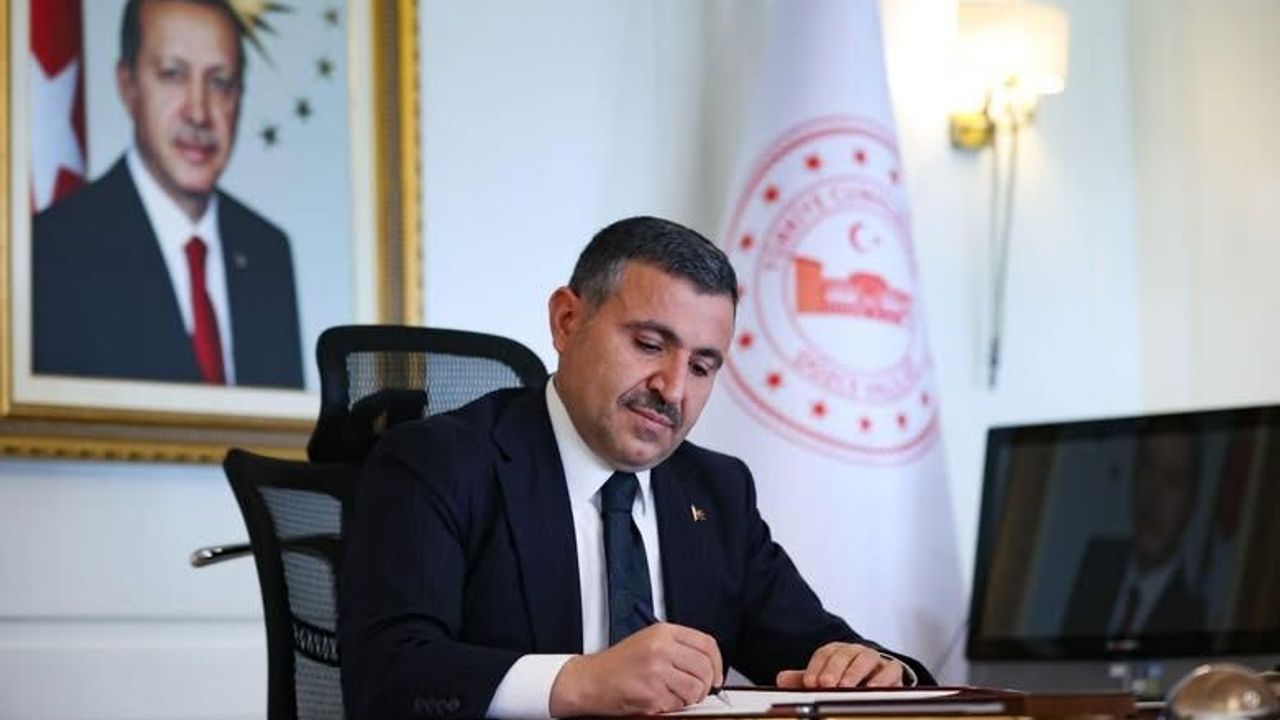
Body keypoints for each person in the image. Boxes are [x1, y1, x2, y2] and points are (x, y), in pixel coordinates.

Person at [339, 217, 933, 719]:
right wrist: (580, 681)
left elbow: (814, 647)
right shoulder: (438, 462)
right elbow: (388, 672)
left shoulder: (718, 492)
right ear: (567, 321)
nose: (672, 389)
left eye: (701, 367)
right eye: (649, 345)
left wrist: (872, 669)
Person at [32, 0, 303, 389]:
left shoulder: (267, 253)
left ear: (240, 97)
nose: (199, 113)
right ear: (128, 85)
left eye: (220, 82)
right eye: (173, 74)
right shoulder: (52, 251)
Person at [1061, 427, 1207, 636]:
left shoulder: (1194, 619)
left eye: (1172, 479)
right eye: (1147, 468)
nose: (1153, 496)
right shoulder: (1097, 560)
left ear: (1191, 502)